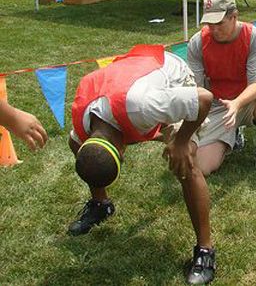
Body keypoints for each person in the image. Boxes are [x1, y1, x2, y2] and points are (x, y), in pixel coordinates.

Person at [67, 44, 216, 285]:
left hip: (170, 76)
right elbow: (77, 140)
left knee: (185, 162)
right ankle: (101, 204)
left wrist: (181, 141)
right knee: (72, 141)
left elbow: (203, 98)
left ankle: (205, 250)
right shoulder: (84, 119)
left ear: (122, 154)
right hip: (131, 80)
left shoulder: (144, 106)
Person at [187, 0, 256, 176]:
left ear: (234, 16)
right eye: (209, 24)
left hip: (248, 99)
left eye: (219, 23)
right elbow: (197, 89)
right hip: (217, 106)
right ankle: (231, 135)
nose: (214, 29)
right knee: (199, 167)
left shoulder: (254, 37)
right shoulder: (197, 43)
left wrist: (236, 104)